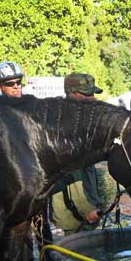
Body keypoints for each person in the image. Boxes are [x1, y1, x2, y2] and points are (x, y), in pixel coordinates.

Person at [49, 73, 111, 235]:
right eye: (87, 94)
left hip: (85, 209)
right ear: (71, 93)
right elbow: (72, 176)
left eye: (93, 94)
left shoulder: (80, 121)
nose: (93, 99)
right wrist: (88, 210)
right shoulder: (64, 127)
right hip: (75, 216)